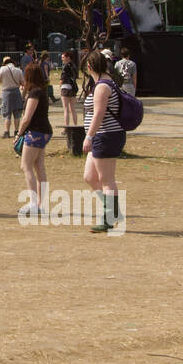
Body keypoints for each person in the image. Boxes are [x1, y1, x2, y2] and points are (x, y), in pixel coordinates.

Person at [81, 50, 124, 233]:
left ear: (90, 67)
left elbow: (98, 114)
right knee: (90, 177)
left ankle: (109, 219)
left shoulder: (102, 86)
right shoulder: (102, 82)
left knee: (107, 180)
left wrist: (89, 136)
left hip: (105, 135)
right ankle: (114, 212)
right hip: (102, 135)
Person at [16, 62, 53, 218]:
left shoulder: (34, 93)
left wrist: (18, 134)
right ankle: (40, 204)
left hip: (35, 131)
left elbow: (26, 117)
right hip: (45, 131)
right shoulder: (42, 91)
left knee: (26, 166)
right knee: (39, 166)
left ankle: (33, 203)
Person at [0, 55, 25, 138]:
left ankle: (7, 132)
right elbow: (23, 82)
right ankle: (16, 131)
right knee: (17, 113)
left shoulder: (3, 69)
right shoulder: (18, 70)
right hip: (16, 91)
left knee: (7, 114)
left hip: (6, 92)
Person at [59, 49, 80, 127]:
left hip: (65, 87)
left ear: (68, 57)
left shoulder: (66, 66)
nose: (62, 59)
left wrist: (60, 86)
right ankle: (75, 125)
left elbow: (62, 79)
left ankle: (66, 127)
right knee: (73, 109)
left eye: (63, 57)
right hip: (73, 87)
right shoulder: (74, 65)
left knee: (66, 109)